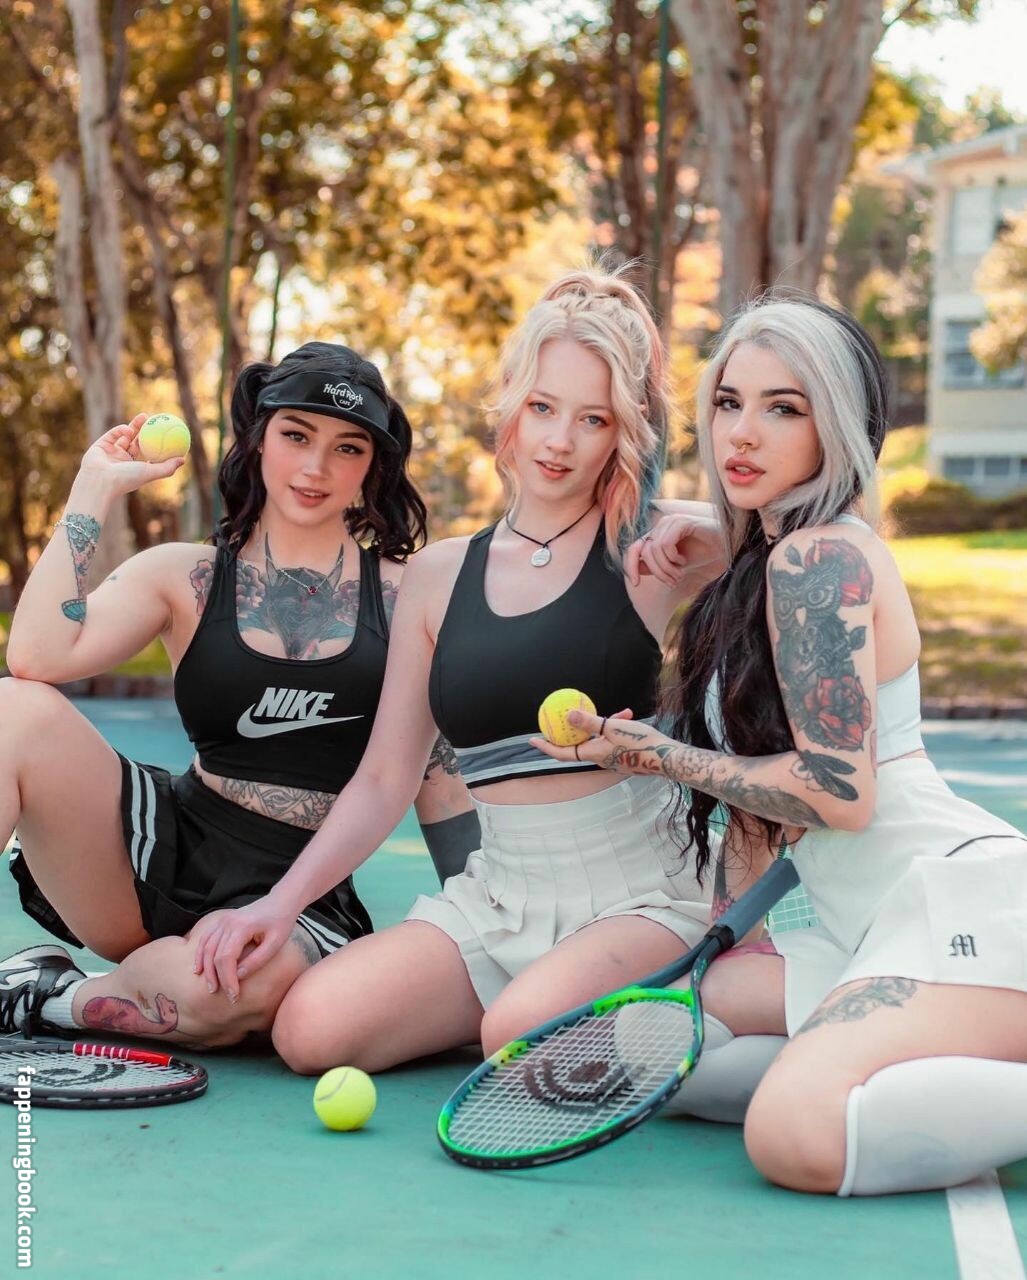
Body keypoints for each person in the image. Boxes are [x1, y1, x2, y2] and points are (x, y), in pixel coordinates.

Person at [534, 295, 1027, 1197]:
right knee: (662, 1053)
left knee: (792, 1133)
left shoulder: (816, 562)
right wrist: (719, 532)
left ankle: (856, 1068)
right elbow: (758, 802)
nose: (743, 433)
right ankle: (870, 1053)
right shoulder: (771, 563)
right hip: (856, 929)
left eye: (784, 408)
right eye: (729, 402)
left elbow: (838, 792)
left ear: (834, 426)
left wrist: (654, 755)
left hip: (948, 904)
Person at [188, 266, 727, 1074]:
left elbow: (819, 551)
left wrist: (720, 531)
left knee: (517, 1037)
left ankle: (698, 1008)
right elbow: (384, 778)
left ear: (623, 429)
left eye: (592, 419)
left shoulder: (659, 550)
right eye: (542, 408)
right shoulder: (439, 575)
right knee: (311, 1031)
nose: (559, 441)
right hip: (497, 895)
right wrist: (280, 903)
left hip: (641, 893)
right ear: (509, 403)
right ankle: (561, 1009)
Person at [0, 341, 469, 1048]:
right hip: (160, 850)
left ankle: (56, 995)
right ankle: (137, 978)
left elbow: (438, 780)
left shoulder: (412, 599)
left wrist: (489, 952)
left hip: (299, 894)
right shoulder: (184, 577)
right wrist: (92, 489)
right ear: (258, 440)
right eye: (296, 436)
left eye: (346, 448)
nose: (315, 467)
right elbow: (36, 656)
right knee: (14, 709)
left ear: (372, 467)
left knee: (219, 991)